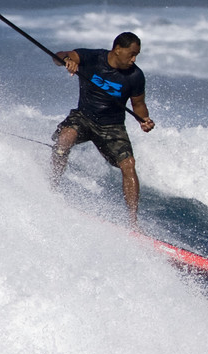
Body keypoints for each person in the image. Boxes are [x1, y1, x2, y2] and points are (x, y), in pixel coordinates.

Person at [50, 31, 155, 225]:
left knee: (129, 164)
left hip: (112, 126)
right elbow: (58, 56)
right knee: (65, 138)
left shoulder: (135, 76)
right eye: (131, 54)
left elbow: (138, 105)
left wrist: (144, 119)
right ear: (117, 49)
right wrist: (67, 60)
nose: (133, 59)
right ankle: (51, 189)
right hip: (83, 116)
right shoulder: (92, 57)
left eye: (136, 55)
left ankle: (132, 222)